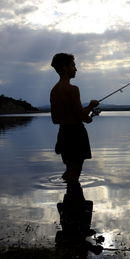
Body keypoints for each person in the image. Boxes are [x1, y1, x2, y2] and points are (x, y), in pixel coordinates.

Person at [50, 53, 99, 182]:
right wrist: (91, 106)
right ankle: (73, 198)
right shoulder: (72, 89)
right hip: (76, 134)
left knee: (69, 170)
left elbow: (56, 119)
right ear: (65, 68)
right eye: (73, 65)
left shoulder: (54, 90)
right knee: (75, 171)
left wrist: (85, 112)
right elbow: (84, 118)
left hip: (63, 134)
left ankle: (68, 198)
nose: (75, 69)